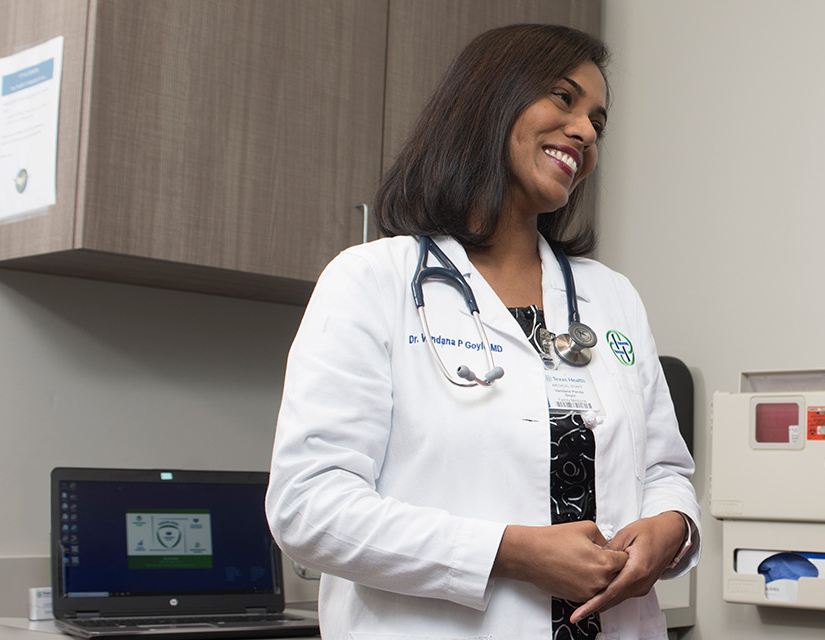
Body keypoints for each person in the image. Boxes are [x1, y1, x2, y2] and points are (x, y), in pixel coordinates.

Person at [265, 24, 698, 640]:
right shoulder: (372, 281)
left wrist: (671, 526)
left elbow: (665, 470)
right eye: (562, 97)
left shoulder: (611, 297)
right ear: (488, 102)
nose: (584, 130)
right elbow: (309, 507)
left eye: (597, 121)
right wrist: (509, 551)